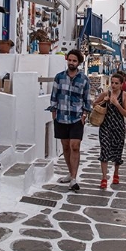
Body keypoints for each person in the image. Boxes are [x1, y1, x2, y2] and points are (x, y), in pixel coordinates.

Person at [48, 48, 91, 191]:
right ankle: (70, 173)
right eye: (70, 60)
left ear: (78, 62)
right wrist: (53, 113)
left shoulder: (84, 79)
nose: (71, 63)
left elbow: (87, 99)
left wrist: (84, 115)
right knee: (65, 146)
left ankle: (74, 178)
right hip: (61, 116)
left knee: (75, 146)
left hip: (76, 117)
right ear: (67, 60)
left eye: (74, 61)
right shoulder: (59, 77)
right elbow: (54, 95)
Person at [93, 73, 126, 189]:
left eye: (116, 83)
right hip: (105, 126)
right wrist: (103, 101)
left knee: (117, 151)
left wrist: (117, 104)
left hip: (118, 127)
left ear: (121, 84)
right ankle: (104, 177)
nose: (113, 85)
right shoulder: (106, 94)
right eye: (112, 82)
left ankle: (116, 173)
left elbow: (125, 113)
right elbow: (94, 105)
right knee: (104, 150)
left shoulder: (125, 95)